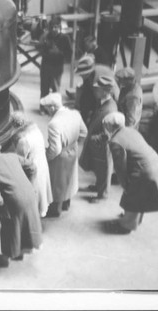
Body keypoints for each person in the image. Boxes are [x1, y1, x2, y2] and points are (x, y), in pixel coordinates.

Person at [102, 112, 158, 234]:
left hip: (146, 171)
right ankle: (135, 219)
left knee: (133, 195)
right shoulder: (131, 130)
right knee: (140, 196)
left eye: (105, 125)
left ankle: (126, 226)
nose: (104, 128)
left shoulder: (115, 141)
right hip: (157, 164)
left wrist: (125, 185)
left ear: (111, 126)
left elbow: (120, 168)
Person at [0, 138, 42, 267]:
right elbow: (32, 167)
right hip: (30, 195)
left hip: (14, 202)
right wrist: (29, 184)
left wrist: (3, 205)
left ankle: (6, 257)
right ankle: (20, 253)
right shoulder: (13, 156)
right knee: (26, 224)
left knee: (9, 228)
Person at [40, 92, 87, 217]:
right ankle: (66, 204)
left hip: (60, 157)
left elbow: (55, 149)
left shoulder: (54, 124)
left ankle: (55, 210)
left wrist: (45, 158)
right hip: (73, 149)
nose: (47, 113)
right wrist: (73, 143)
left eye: (47, 109)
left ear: (52, 107)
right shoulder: (75, 114)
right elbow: (84, 132)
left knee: (57, 184)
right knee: (69, 180)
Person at [79, 75, 118, 203]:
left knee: (105, 169)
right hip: (97, 145)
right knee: (98, 167)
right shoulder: (103, 102)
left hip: (103, 145)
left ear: (106, 91)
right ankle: (98, 187)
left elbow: (109, 133)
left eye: (98, 89)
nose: (95, 91)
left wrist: (95, 138)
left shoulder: (110, 108)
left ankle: (103, 195)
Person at [8, 112, 53, 218]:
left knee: (33, 195)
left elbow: (20, 159)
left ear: (15, 125)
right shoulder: (35, 129)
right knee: (42, 192)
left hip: (32, 168)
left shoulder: (24, 140)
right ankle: (41, 212)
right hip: (42, 163)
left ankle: (34, 220)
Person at [38, 16, 71, 114]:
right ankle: (43, 108)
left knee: (56, 89)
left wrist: (58, 53)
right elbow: (40, 49)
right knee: (44, 88)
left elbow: (69, 53)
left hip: (57, 68)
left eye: (56, 27)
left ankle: (56, 109)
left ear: (60, 27)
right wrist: (47, 52)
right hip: (46, 67)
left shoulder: (65, 38)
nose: (53, 29)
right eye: (51, 27)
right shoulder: (45, 37)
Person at [74, 55, 119, 126]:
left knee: (99, 117)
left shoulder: (99, 79)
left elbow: (99, 98)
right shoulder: (89, 75)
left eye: (82, 74)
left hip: (111, 96)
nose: (81, 76)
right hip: (102, 94)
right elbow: (86, 92)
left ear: (87, 72)